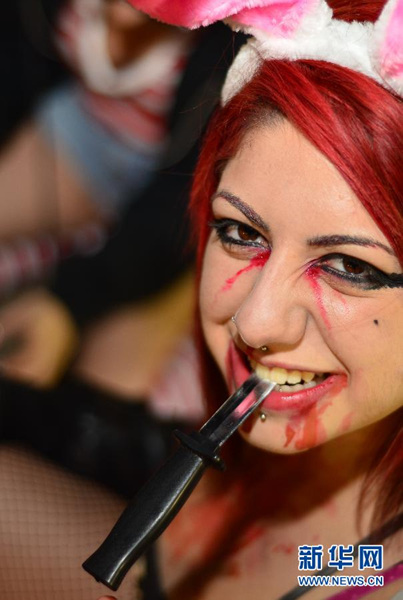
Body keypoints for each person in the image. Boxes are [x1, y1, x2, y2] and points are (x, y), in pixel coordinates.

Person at [93, 0, 403, 598]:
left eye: (350, 266)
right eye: (241, 233)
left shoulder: (366, 570)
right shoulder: (329, 554)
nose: (255, 323)